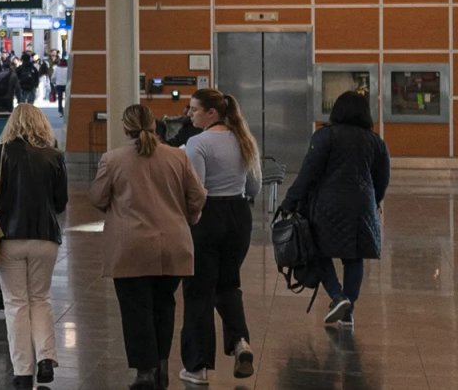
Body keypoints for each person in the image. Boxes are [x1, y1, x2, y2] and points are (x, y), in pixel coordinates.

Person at [92, 104, 206, 390]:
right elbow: (198, 196)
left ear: (125, 127)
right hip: (173, 244)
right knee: (164, 306)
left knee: (136, 309)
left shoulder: (113, 159)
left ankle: (145, 371)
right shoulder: (177, 157)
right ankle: (163, 366)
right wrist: (188, 217)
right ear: (155, 126)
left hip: (131, 247)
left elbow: (97, 198)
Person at [280, 91, 391, 328]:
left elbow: (308, 174)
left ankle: (337, 296)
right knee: (354, 257)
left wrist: (289, 202)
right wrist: (374, 201)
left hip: (327, 206)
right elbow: (382, 180)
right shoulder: (376, 142)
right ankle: (349, 311)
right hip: (362, 207)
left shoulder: (325, 136)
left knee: (317, 250)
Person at [178, 89, 261, 385]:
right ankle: (240, 342)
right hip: (239, 216)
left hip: (208, 216)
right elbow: (254, 188)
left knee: (199, 290)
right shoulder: (244, 139)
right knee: (228, 284)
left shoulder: (197, 143)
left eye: (194, 109)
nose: (190, 114)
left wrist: (190, 219)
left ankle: (197, 366)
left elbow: (197, 191)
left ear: (212, 113)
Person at [0, 104, 68, 387]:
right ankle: (46, 357)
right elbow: (60, 202)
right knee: (40, 298)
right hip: (45, 237)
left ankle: (22, 371)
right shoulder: (55, 156)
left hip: (10, 238)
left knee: (16, 303)